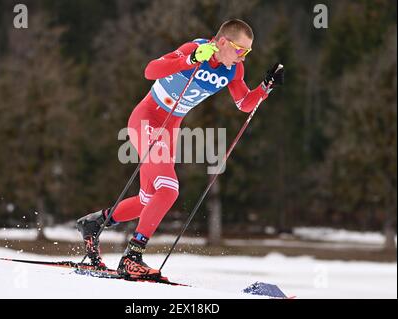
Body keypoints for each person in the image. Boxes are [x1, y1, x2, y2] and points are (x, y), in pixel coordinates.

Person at [76, 19, 284, 278]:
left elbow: (243, 102)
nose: (242, 58)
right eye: (239, 50)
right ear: (221, 42)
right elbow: (151, 71)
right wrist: (192, 59)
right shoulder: (195, 48)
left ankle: (95, 222)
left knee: (147, 200)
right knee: (168, 188)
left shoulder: (233, 70)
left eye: (247, 53)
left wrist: (265, 88)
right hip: (148, 118)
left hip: (170, 128)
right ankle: (132, 256)